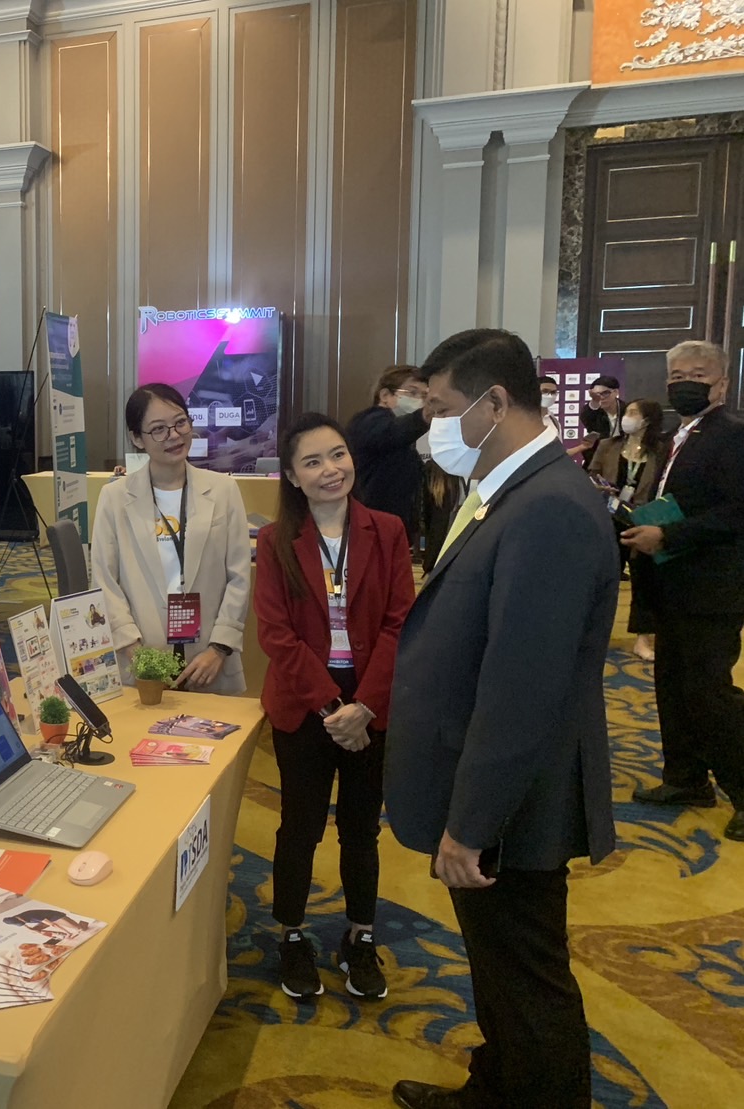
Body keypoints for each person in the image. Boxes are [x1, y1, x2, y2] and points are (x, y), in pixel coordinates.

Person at [384, 329, 618, 1109]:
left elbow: (523, 688)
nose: (430, 427)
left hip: (513, 803)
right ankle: (496, 1088)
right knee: (497, 965)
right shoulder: (505, 489)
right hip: (489, 786)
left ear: (493, 402)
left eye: (440, 407)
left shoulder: (548, 507)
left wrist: (471, 823)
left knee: (525, 973)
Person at [253, 412, 415, 1002]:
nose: (330, 469)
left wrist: (364, 706)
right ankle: (292, 934)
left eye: (338, 454)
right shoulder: (275, 540)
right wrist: (331, 709)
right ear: (292, 475)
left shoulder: (387, 530)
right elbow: (276, 635)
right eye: (313, 461)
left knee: (361, 829)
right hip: (304, 703)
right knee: (299, 826)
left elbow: (400, 622)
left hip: (372, 699)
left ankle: (360, 936)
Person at [622, 341, 744, 842]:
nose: (684, 383)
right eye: (676, 376)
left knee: (710, 693)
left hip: (711, 586)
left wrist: (669, 535)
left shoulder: (732, 434)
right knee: (672, 686)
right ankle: (686, 778)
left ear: (722, 383)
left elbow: (736, 512)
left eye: (697, 375)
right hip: (671, 582)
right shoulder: (679, 435)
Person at [91, 383, 251, 694]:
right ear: (137, 438)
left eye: (180, 422)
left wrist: (220, 648)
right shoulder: (115, 498)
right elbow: (103, 580)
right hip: (143, 662)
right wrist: (134, 651)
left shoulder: (223, 490)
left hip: (209, 661)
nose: (174, 435)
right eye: (158, 429)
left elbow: (239, 577)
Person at [590, 398, 666, 654]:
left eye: (633, 413)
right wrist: (599, 487)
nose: (627, 417)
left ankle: (643, 638)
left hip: (643, 520)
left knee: (644, 581)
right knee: (603, 579)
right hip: (609, 518)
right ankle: (595, 632)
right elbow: (592, 473)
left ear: (647, 420)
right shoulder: (608, 446)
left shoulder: (661, 451)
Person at [346, 365, 429, 543]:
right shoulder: (369, 421)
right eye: (412, 393)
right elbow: (392, 432)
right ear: (385, 395)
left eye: (424, 396)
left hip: (391, 528)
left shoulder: (404, 438)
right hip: (370, 527)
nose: (420, 401)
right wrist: (425, 415)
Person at [577, 372, 624, 465]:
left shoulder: (627, 410)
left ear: (616, 392)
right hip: (598, 460)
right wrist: (595, 401)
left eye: (605, 393)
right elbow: (587, 416)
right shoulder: (591, 413)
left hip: (623, 459)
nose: (601, 398)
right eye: (597, 395)